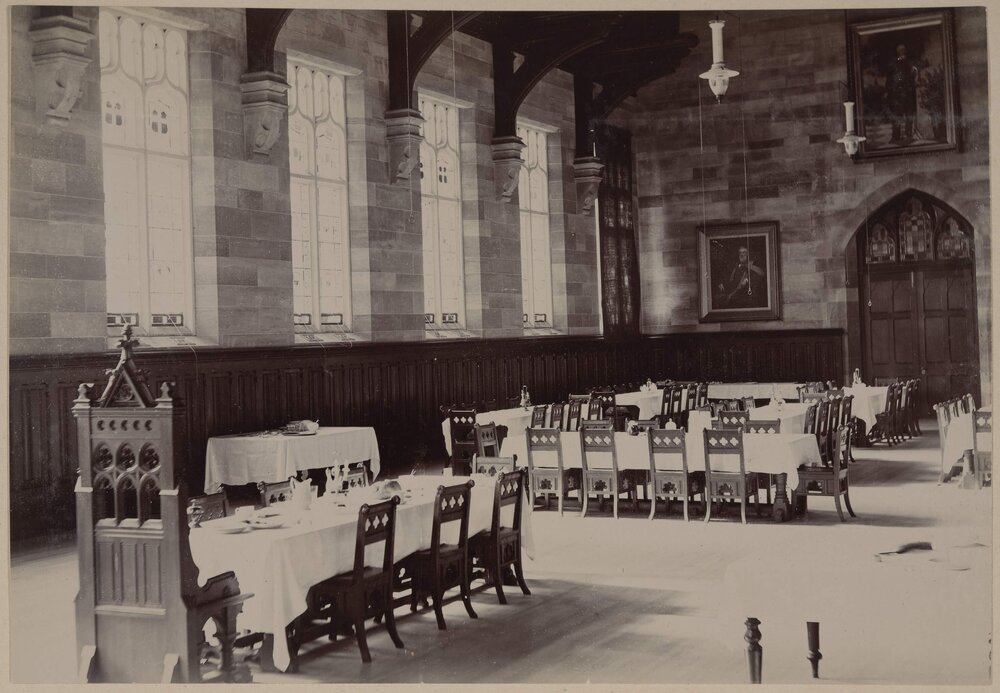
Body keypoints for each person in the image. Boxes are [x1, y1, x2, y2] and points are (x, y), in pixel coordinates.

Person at [885, 43, 919, 144]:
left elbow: (914, 76)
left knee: (909, 115)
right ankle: (895, 137)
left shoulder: (911, 63)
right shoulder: (893, 64)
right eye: (900, 50)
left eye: (903, 49)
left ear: (906, 50)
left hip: (908, 93)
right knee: (896, 116)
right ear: (897, 52)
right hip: (897, 94)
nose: (902, 51)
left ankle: (909, 135)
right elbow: (889, 79)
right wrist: (888, 91)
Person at [716, 245, 766, 309]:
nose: (741, 255)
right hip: (735, 296)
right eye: (740, 253)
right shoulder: (736, 267)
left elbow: (759, 276)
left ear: (748, 254)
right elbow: (732, 282)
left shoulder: (753, 267)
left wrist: (747, 281)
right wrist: (723, 284)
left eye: (744, 252)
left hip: (747, 298)